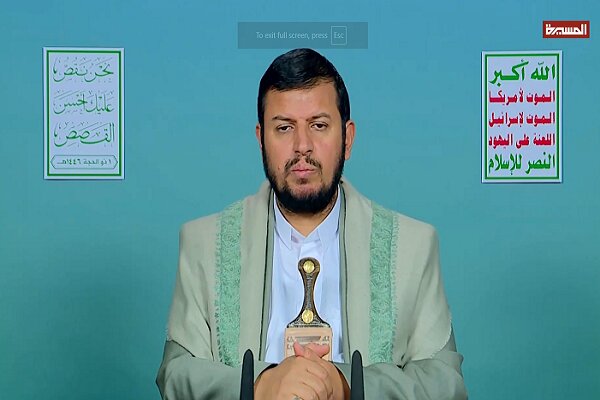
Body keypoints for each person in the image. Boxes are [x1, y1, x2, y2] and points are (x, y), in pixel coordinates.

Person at [156, 48, 467, 399]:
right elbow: (176, 374)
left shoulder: (412, 246)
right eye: (284, 128)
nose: (302, 146)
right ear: (261, 139)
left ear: (347, 138)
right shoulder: (204, 244)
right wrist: (261, 384)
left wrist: (345, 384)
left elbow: (445, 384)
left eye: (319, 125)